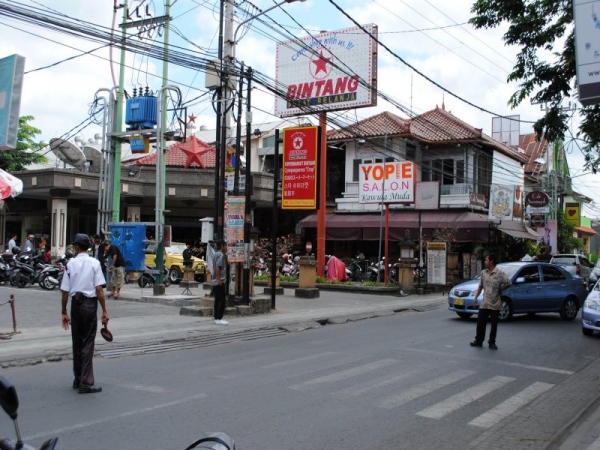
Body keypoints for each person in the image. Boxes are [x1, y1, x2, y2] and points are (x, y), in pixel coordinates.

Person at [60, 233, 108, 394]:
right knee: (88, 342)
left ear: (76, 247)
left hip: (75, 304)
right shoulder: (95, 263)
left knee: (77, 342)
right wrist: (104, 310)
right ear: (88, 247)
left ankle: (78, 378)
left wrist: (64, 312)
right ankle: (86, 383)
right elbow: (99, 289)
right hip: (89, 305)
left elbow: (65, 291)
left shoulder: (70, 264)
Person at [470, 254, 511, 350]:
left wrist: (501, 289)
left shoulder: (499, 273)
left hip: (495, 303)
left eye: (486, 260)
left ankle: (492, 342)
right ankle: (478, 340)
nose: (485, 262)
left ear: (491, 261)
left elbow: (508, 282)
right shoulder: (483, 273)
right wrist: (476, 298)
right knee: (480, 322)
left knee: (494, 324)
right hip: (485, 302)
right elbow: (480, 286)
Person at [211, 239, 228, 325]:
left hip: (214, 280)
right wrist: (219, 279)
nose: (226, 247)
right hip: (219, 281)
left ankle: (216, 318)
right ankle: (219, 318)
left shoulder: (215, 254)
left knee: (217, 300)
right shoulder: (220, 255)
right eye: (225, 245)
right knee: (221, 300)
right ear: (221, 246)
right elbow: (218, 268)